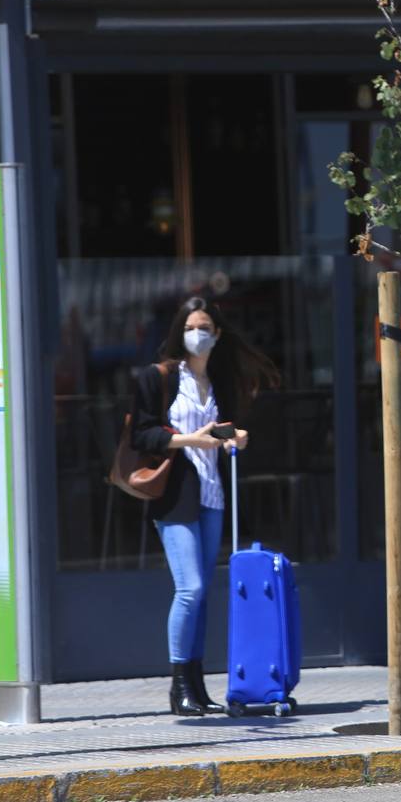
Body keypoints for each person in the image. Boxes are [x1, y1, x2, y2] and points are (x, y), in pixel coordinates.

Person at [132, 296, 279, 716]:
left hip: (211, 494)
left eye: (204, 327)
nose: (197, 334)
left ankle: (197, 687)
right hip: (174, 495)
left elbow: (222, 430)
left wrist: (235, 437)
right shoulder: (158, 378)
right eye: (190, 327)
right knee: (190, 587)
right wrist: (190, 440)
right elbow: (141, 435)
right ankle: (178, 684)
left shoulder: (218, 381)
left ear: (216, 334)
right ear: (180, 332)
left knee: (204, 595)